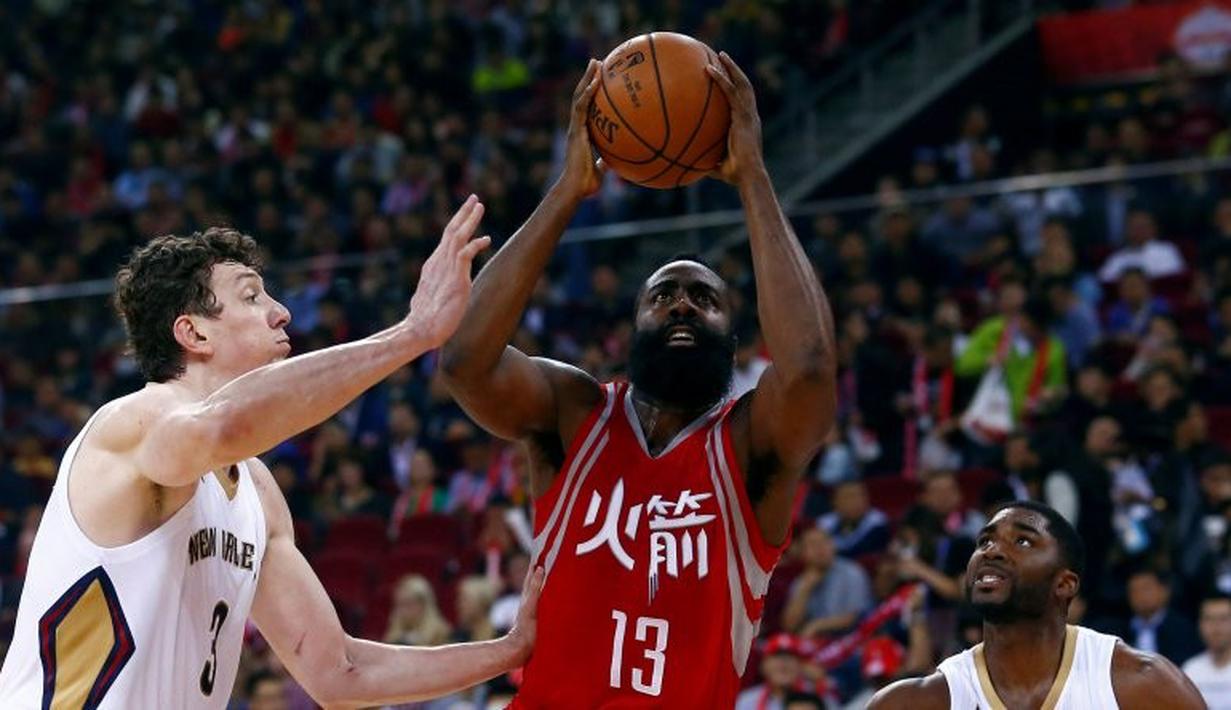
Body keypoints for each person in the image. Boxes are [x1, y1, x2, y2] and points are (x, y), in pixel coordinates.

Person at [0, 213, 544, 708]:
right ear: (193, 332)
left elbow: (341, 674)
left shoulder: (257, 492)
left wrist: (511, 649)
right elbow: (224, 426)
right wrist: (412, 334)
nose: (281, 312)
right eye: (253, 296)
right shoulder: (134, 423)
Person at [440, 54, 836, 706]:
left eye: (704, 299)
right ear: (632, 327)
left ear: (735, 336)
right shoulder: (574, 414)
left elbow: (812, 369)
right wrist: (566, 191)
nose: (681, 304)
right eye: (662, 295)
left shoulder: (750, 446)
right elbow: (463, 362)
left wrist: (752, 177)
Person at [868, 501, 1205, 708]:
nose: (992, 551)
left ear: (1064, 584)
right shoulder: (914, 703)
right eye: (985, 541)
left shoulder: (1141, 684)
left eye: (1023, 540)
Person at [1182, 594, 1231, 708]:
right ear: (1200, 624)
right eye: (1209, 619)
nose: (1216, 627)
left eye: (1223, 619)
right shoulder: (1190, 670)